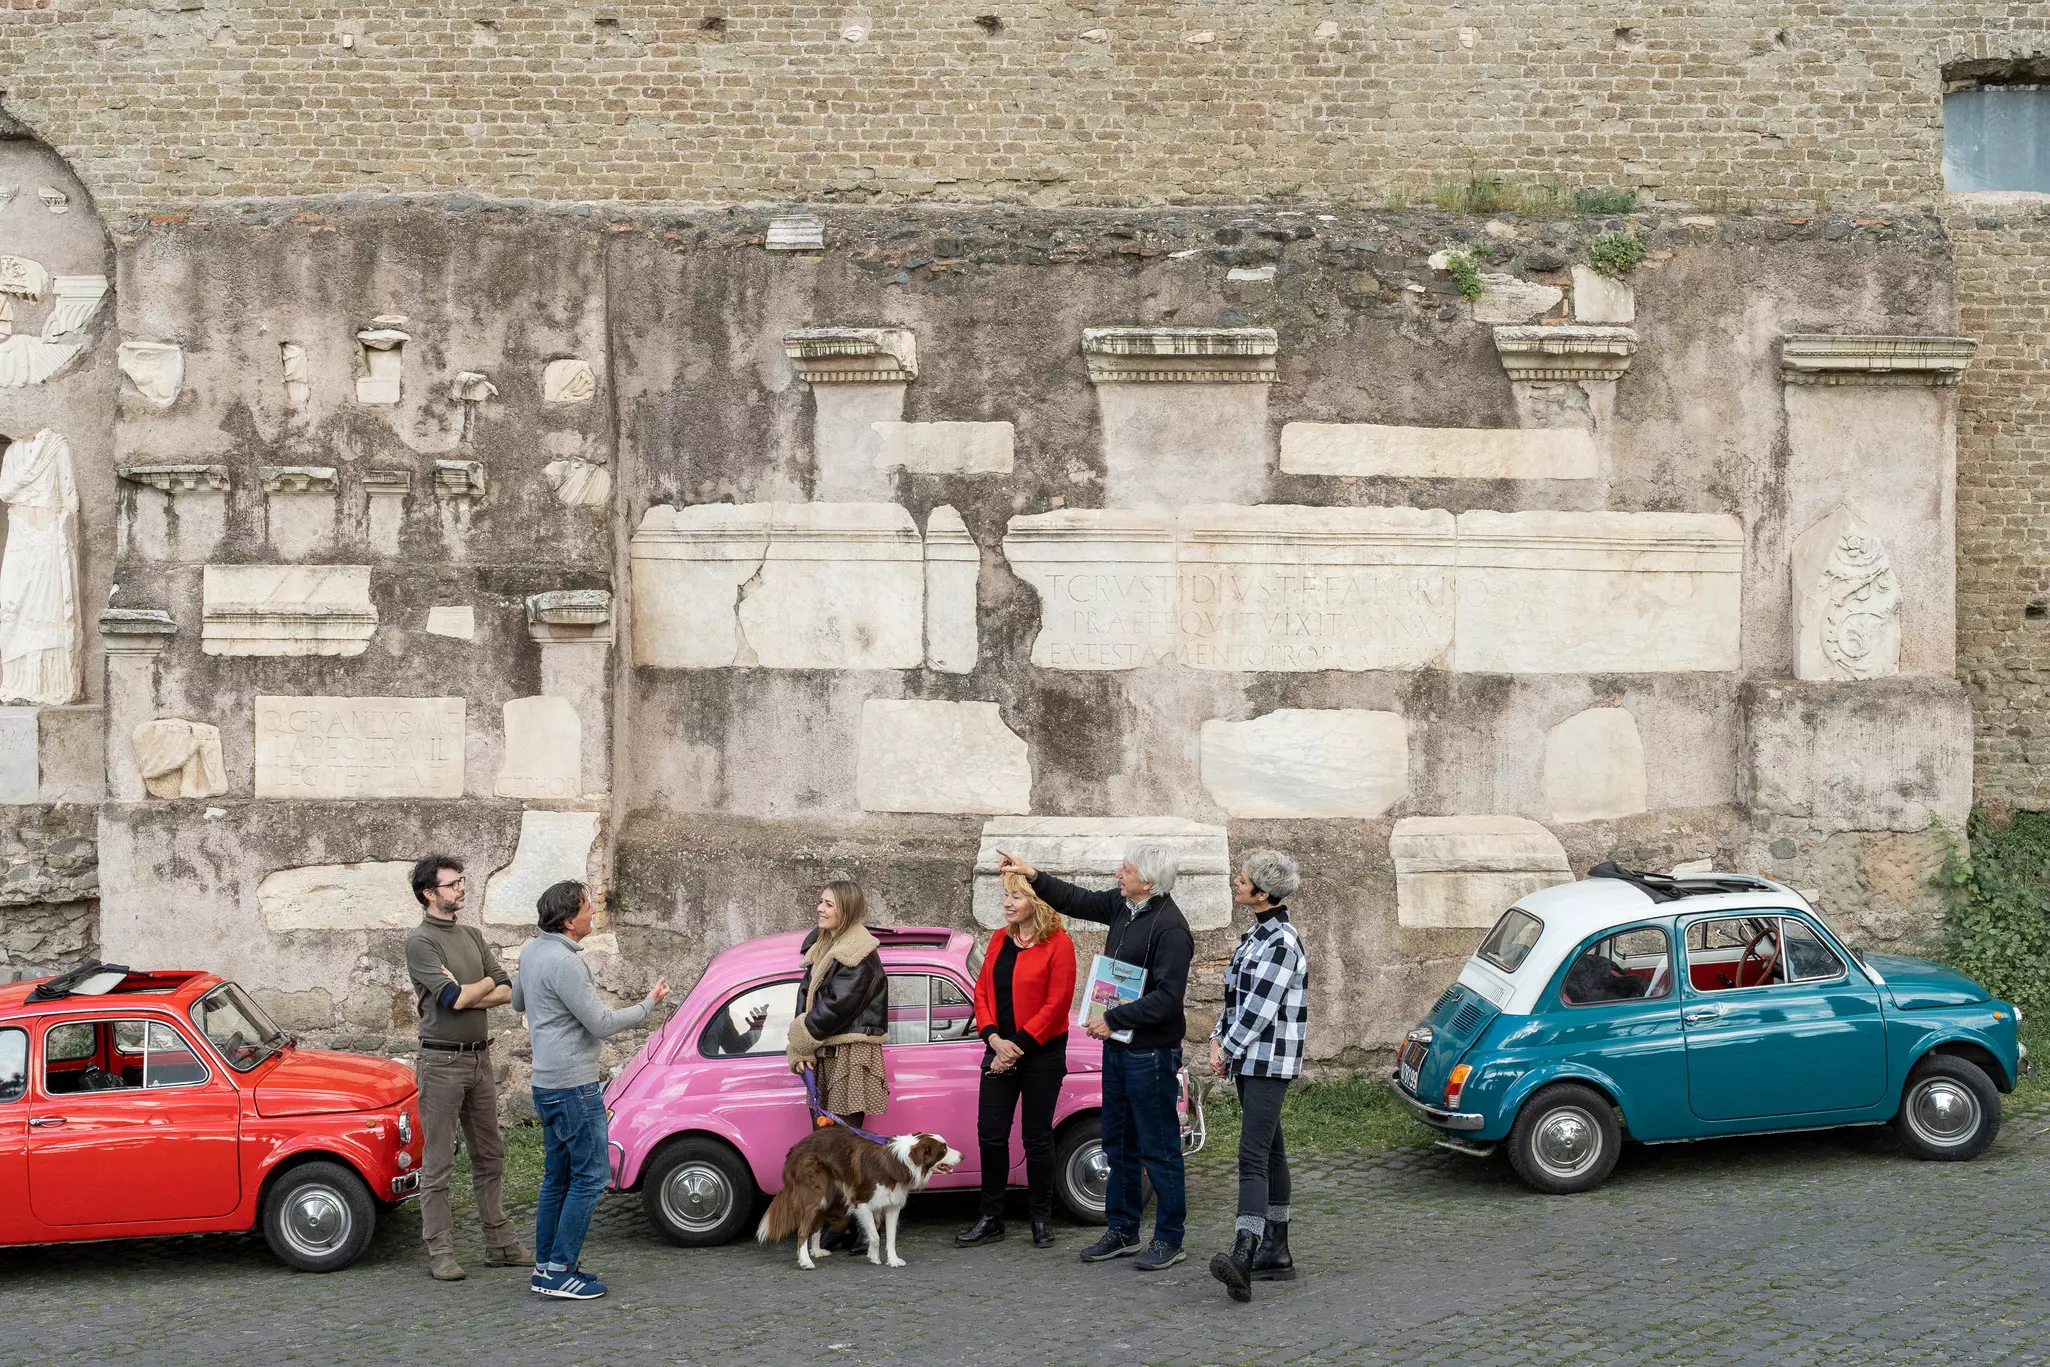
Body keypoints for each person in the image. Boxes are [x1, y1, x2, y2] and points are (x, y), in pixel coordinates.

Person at [995, 841, 1193, 1272]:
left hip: (1150, 1053)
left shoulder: (1170, 928)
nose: (1117, 872)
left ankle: (1169, 1238)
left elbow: (1167, 999)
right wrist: (1033, 876)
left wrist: (1115, 1018)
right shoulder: (1125, 907)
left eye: (1126, 868)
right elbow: (1076, 899)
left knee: (1157, 1148)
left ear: (1148, 881)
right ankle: (1122, 1229)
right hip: (1119, 1049)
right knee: (1118, 1142)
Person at [511, 880, 669, 1300]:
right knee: (592, 1177)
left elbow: (517, 1002)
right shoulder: (566, 963)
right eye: (587, 906)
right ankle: (560, 1271)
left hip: (548, 1084)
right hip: (573, 1087)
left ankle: (546, 1268)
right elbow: (599, 1023)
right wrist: (648, 1004)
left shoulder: (532, 952)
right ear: (567, 920)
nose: (593, 912)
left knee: (558, 1179)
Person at [402, 854, 528, 1282]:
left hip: (479, 1056)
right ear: (429, 893)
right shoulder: (421, 942)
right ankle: (440, 1250)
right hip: (440, 1062)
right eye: (452, 883)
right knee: (438, 1162)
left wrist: (477, 987)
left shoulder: (472, 935)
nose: (461, 889)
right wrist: (473, 990)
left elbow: (507, 989)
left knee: (490, 1154)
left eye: (461, 881)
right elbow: (452, 1000)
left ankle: (500, 1244)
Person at [954, 872, 1076, 1251]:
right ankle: (991, 1218)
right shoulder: (998, 938)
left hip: (1041, 1054)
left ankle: (1041, 1217)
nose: (1007, 903)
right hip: (998, 1047)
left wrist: (1015, 1046)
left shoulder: (1060, 945)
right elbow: (982, 992)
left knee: (1036, 1137)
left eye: (1016, 897)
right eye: (1006, 896)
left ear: (1035, 903)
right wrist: (993, 1037)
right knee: (991, 1134)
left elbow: (1057, 1005)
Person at [1207, 850, 1309, 1302]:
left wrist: (1227, 1048)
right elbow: (1235, 1002)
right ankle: (1277, 1252)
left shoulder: (1282, 943)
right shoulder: (1254, 936)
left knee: (1252, 1156)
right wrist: (1216, 1037)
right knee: (1270, 1152)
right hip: (1250, 1059)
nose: (1236, 880)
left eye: (1243, 878)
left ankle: (1244, 1254)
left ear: (1262, 893)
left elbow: (1259, 1013)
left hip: (1268, 1061)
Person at [785, 880, 891, 1129]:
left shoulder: (859, 954)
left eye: (828, 904)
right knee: (824, 1139)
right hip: (825, 1048)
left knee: (839, 1143)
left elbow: (837, 1006)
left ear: (846, 910)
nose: (820, 908)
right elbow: (806, 993)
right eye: (821, 901)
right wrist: (801, 1049)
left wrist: (800, 1042)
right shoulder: (824, 945)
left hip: (850, 1056)